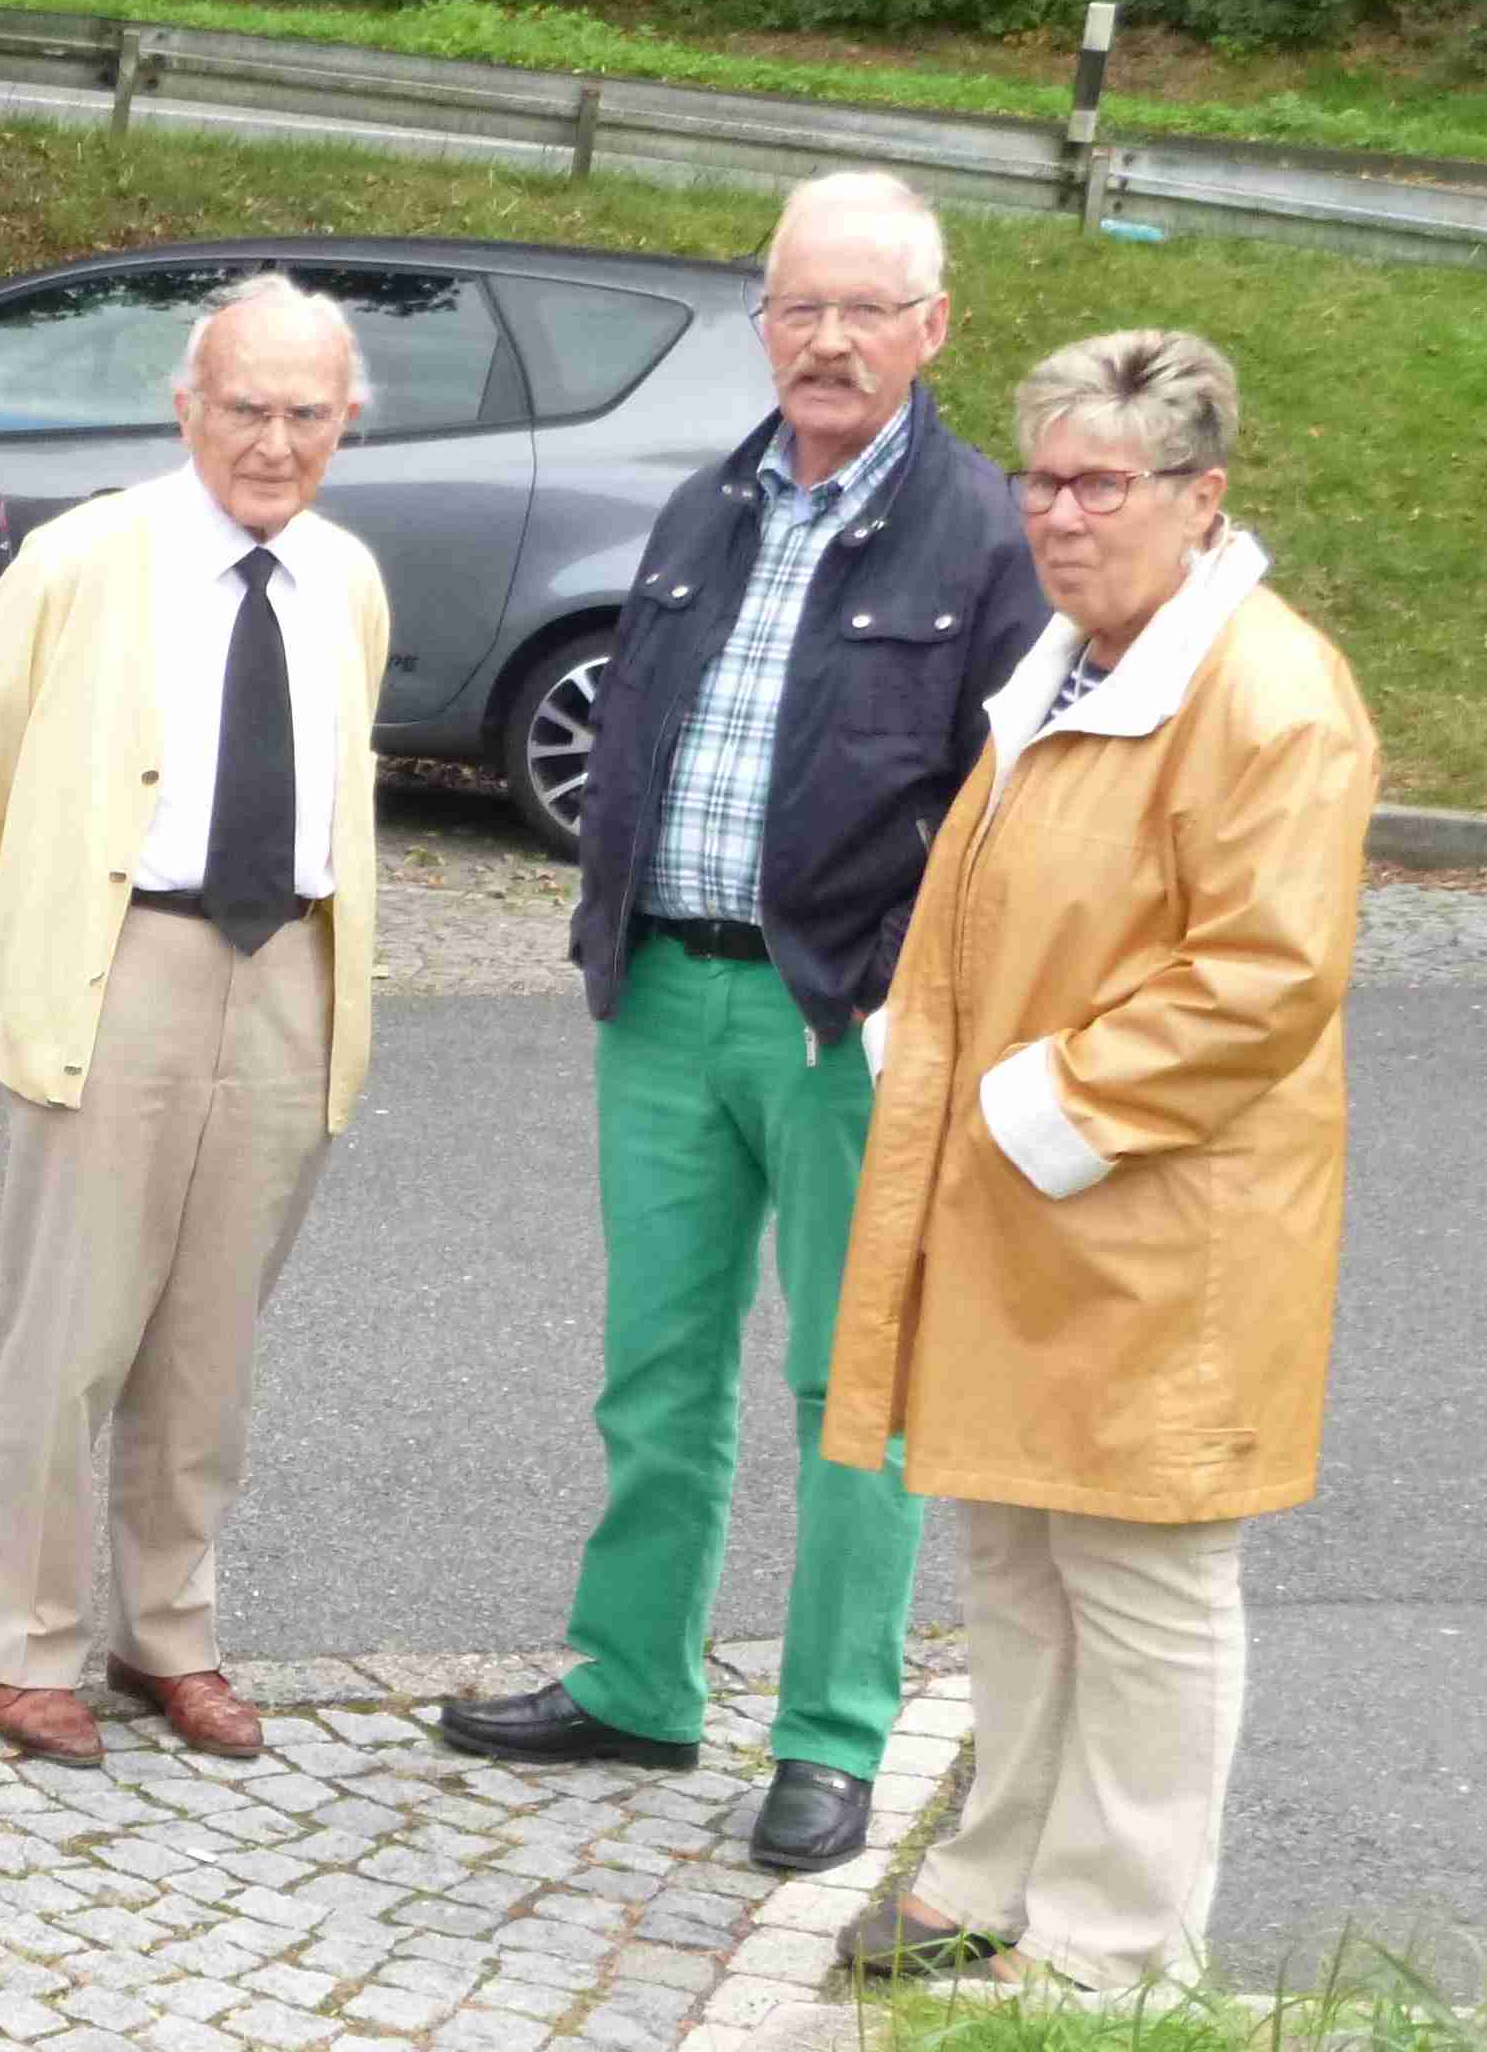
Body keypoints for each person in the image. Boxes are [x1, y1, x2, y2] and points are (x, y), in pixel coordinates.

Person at [436, 173, 1051, 1875]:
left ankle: (830, 1730)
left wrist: (920, 1009)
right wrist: (601, 929)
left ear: (932, 327)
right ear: (760, 319)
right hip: (662, 1001)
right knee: (654, 1376)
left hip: (842, 1029)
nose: (827, 339)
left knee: (851, 1394)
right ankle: (633, 1680)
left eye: (864, 308)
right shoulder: (707, 504)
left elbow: (1016, 824)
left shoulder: (986, 538)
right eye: (798, 306)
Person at [821, 332, 1376, 1993]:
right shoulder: (1071, 654)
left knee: (1139, 1582)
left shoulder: (1268, 695)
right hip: (1038, 1204)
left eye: (1099, 485)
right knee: (1016, 1550)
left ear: (1200, 500)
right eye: (1039, 479)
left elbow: (1258, 981)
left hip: (1158, 1221)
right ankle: (1001, 1867)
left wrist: (1018, 1106)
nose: (1057, 515)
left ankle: (1115, 1955)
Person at [0, 276, 394, 1769]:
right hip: (124, 959)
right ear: (185, 406)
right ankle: (21, 1640)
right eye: (244, 407)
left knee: (210, 1342)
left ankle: (169, 1636)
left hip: (291, 973)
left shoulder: (348, 579)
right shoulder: (81, 562)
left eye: (304, 414)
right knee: (70, 1329)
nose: (272, 440)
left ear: (348, 421)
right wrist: (57, 931)